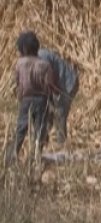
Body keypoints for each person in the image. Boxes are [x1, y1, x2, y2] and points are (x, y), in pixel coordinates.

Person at [6, 31, 60, 167]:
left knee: (21, 128)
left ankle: (12, 154)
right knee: (40, 128)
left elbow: (17, 82)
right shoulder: (45, 65)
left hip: (26, 100)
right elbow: (50, 84)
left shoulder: (20, 63)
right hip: (41, 100)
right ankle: (35, 156)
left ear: (22, 48)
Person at [38, 46, 80, 147]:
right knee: (47, 114)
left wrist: (52, 95)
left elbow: (49, 78)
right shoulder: (37, 57)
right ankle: (42, 142)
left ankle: (61, 145)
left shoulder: (41, 57)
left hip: (67, 84)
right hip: (57, 85)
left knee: (60, 114)